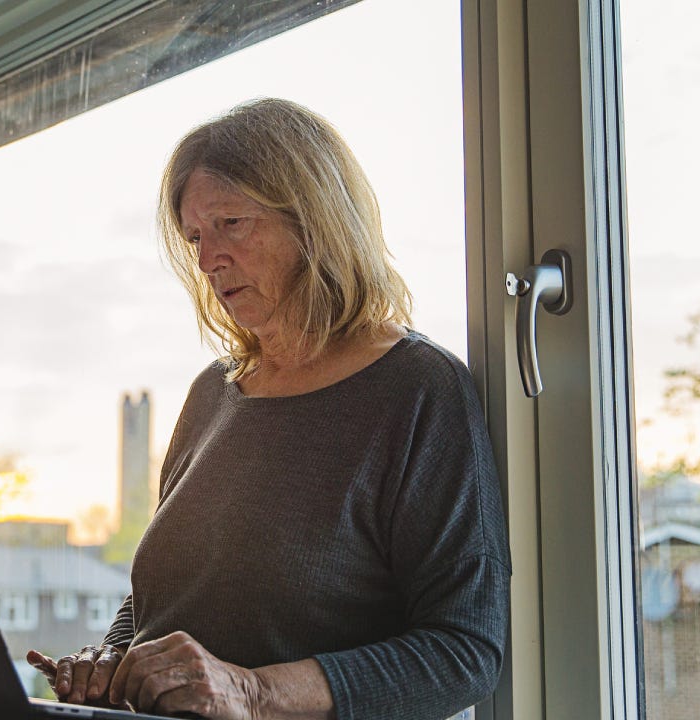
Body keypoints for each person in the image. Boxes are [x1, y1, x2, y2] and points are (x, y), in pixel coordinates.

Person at [27, 98, 510, 720]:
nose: (207, 260)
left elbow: (464, 651)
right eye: (195, 236)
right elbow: (160, 601)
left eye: (230, 222)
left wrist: (254, 693)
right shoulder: (212, 392)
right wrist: (113, 662)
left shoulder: (420, 390)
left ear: (316, 221)